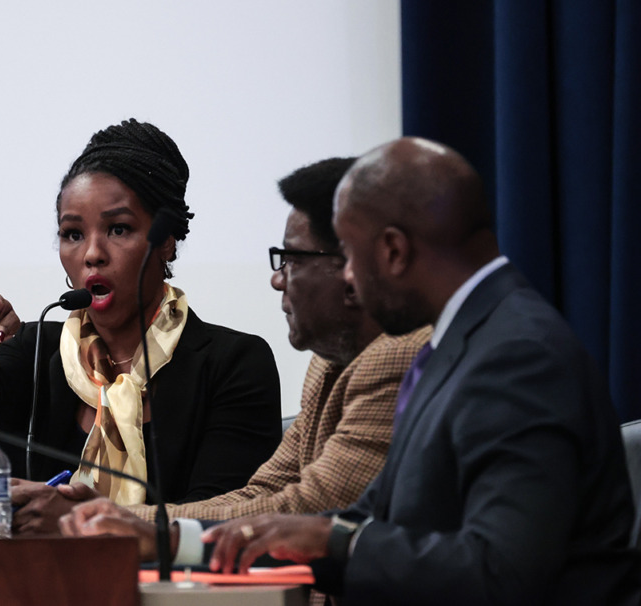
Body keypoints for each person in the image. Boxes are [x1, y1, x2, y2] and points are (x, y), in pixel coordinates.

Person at [201, 137, 640, 605]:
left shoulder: (518, 358)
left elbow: (502, 572)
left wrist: (338, 542)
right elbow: (368, 518)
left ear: (392, 250)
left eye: (349, 254)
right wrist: (187, 542)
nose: (348, 278)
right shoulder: (461, 343)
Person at [59, 157, 430, 568]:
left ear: (351, 268)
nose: (278, 278)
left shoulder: (398, 356)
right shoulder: (330, 364)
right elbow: (264, 494)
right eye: (72, 233)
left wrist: (119, 525)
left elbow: (311, 506)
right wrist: (116, 520)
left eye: (291, 258)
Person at [0, 119, 282, 526]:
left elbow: (224, 517)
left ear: (167, 240)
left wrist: (83, 521)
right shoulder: (36, 348)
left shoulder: (233, 363)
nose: (92, 254)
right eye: (72, 234)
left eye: (118, 229)